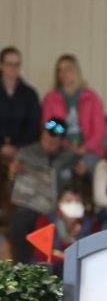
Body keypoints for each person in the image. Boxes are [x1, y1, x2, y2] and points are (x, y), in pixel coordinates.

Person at [8, 121, 80, 263]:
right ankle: (21, 267)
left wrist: (81, 173)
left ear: (61, 142)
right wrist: (12, 175)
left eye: (53, 141)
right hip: (31, 206)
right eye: (46, 138)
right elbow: (13, 191)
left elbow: (77, 185)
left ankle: (62, 265)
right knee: (19, 221)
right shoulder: (26, 153)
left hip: (59, 206)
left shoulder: (70, 157)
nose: (49, 143)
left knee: (68, 216)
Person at [40, 54, 106, 164]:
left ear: (77, 72)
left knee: (87, 165)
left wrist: (84, 148)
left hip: (89, 151)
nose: (64, 74)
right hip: (62, 149)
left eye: (68, 69)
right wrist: (67, 145)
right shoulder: (50, 99)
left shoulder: (92, 98)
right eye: (60, 70)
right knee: (60, 164)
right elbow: (49, 128)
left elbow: (99, 130)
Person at [1, 46, 42, 206]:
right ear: (1, 65)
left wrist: (16, 148)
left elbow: (34, 127)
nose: (14, 68)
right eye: (9, 64)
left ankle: (21, 211)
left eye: (17, 64)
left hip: (23, 150)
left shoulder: (30, 94)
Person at [32, 186, 97, 272]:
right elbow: (41, 255)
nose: (73, 205)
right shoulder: (45, 221)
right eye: (68, 201)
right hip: (50, 272)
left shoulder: (90, 225)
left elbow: (93, 254)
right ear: (59, 203)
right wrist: (66, 257)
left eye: (77, 201)